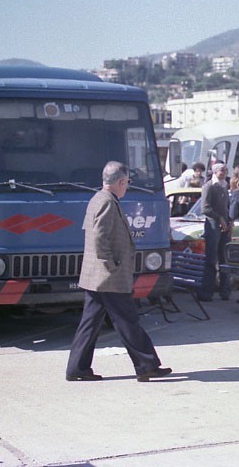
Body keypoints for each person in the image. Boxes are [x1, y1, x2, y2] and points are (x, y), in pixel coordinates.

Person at [66, 161, 171, 383]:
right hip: (108, 277)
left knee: (90, 323)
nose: (127, 187)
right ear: (121, 182)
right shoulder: (106, 202)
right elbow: (98, 237)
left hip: (96, 276)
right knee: (127, 320)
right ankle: (146, 365)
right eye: (127, 183)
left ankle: (77, 368)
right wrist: (111, 265)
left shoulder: (98, 199)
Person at [200, 162, 232, 302]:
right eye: (221, 170)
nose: (224, 172)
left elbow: (228, 206)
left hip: (224, 226)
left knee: (224, 258)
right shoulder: (209, 186)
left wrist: (229, 221)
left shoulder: (225, 186)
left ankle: (225, 291)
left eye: (225, 170)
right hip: (213, 225)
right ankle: (207, 292)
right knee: (211, 260)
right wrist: (219, 218)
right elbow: (205, 209)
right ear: (215, 171)